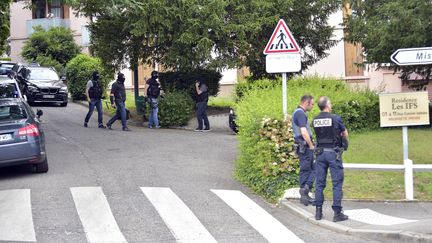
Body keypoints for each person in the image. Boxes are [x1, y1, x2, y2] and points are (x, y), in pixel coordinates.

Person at [312, 96, 349, 222]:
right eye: (330, 103)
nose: (331, 105)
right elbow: (344, 133)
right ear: (327, 105)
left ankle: (318, 212)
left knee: (320, 183)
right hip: (333, 154)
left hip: (320, 154)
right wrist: (344, 143)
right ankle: (337, 213)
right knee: (337, 183)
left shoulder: (315, 120)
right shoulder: (335, 118)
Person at [292, 94, 315, 206]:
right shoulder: (301, 114)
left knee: (306, 169)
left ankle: (305, 195)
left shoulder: (297, 112)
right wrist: (311, 145)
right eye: (312, 104)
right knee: (310, 169)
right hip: (305, 146)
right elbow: (304, 132)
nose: (312, 107)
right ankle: (305, 191)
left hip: (302, 146)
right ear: (306, 103)